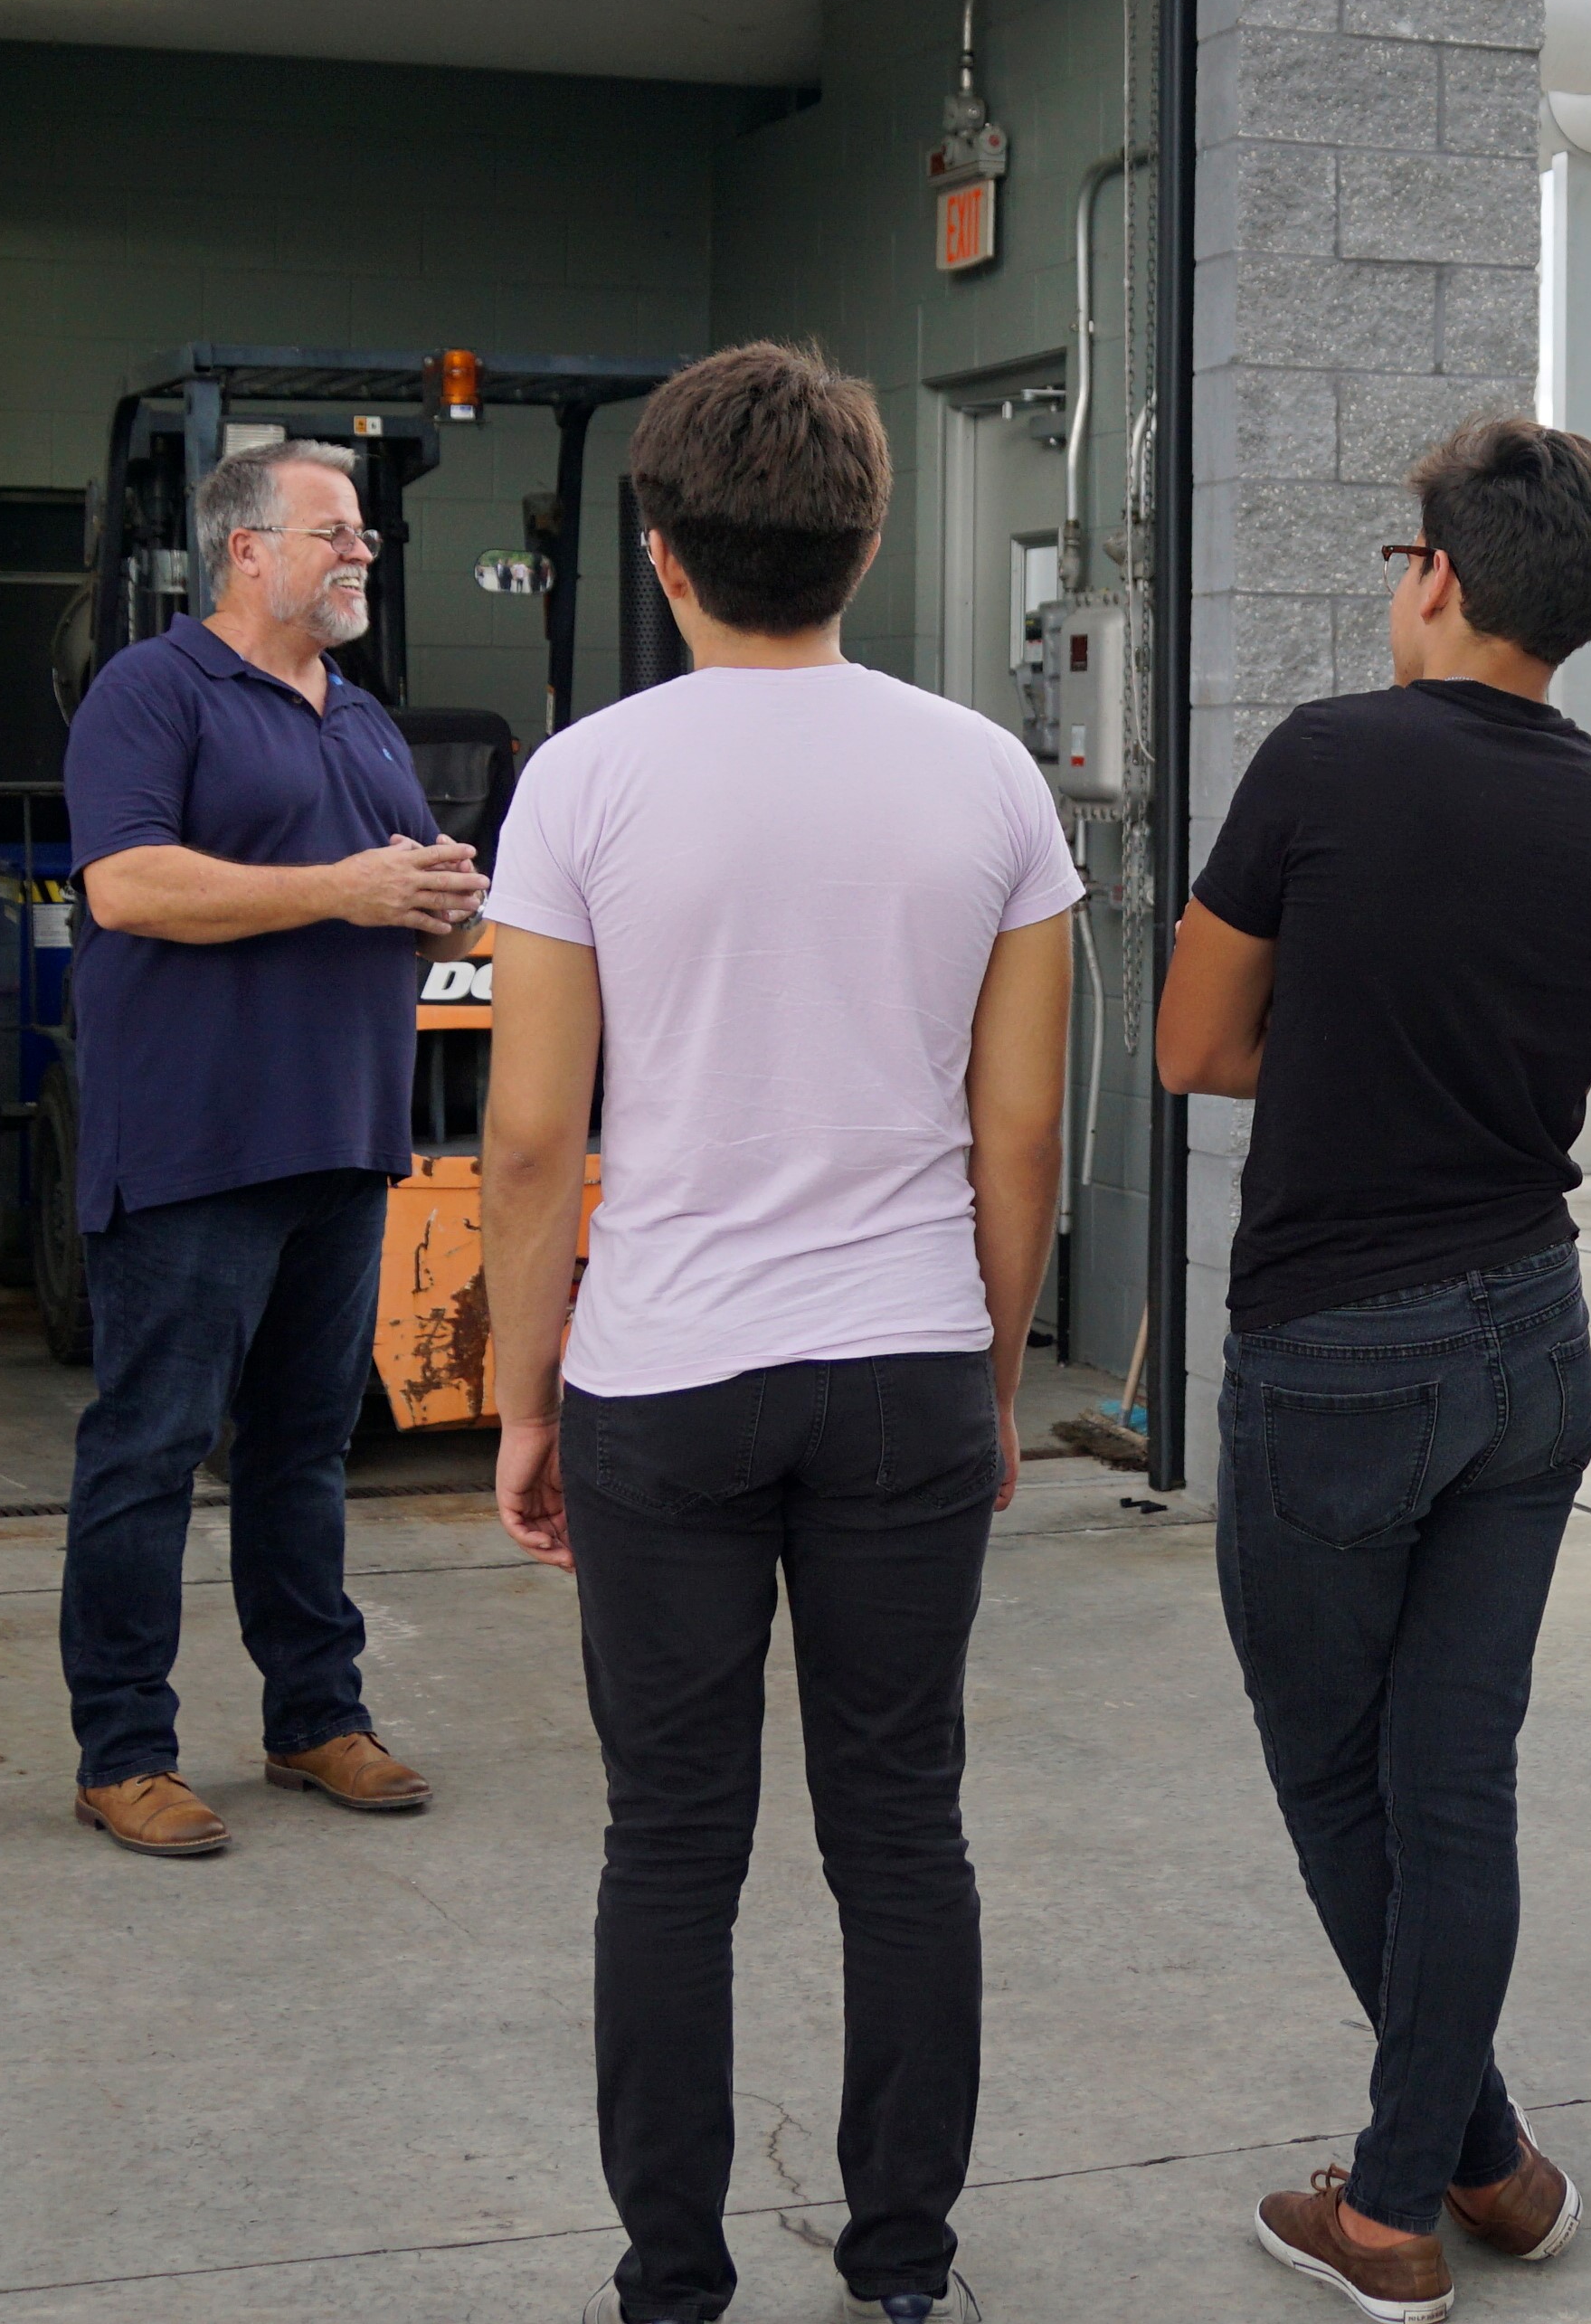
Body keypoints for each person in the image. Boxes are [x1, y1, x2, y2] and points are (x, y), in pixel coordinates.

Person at [478, 342, 1075, 2324]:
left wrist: (516, 1385)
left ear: (659, 550)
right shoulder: (986, 768)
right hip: (903, 1358)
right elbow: (1020, 1131)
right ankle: (903, 2262)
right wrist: (989, 1379)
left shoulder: (585, 777)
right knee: (902, 1825)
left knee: (672, 1841)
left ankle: (673, 2271)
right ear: (870, 533)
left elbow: (539, 1123)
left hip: (659, 1366)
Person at [1159, 418, 1591, 2324]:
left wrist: (1343, 1040)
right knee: (1456, 1779)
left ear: (1442, 575)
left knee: (1338, 1779)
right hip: (1533, 1332)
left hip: (1341, 1340)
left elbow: (1200, 1043)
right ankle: (1488, 2160)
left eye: (1403, 555)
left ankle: (1395, 2199)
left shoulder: (1327, 758)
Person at [55, 439, 486, 1854]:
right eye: (335, 529)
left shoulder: (358, 719)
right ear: (248, 548)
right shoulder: (154, 691)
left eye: (364, 533)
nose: (361, 550)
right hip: (195, 1147)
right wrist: (342, 889)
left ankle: (315, 1716)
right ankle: (124, 1749)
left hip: (339, 1142)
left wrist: (441, 905)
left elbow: (402, 893)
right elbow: (125, 884)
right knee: (152, 1449)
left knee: (304, 1452)